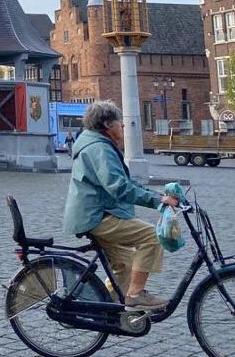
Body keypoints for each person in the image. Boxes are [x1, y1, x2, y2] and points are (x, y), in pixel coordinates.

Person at [64, 100, 180, 310]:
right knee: (153, 237)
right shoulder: (99, 148)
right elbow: (118, 187)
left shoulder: (96, 144)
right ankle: (135, 295)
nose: (123, 126)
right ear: (108, 125)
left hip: (95, 213)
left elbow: (125, 183)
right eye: (120, 122)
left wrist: (157, 194)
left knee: (125, 265)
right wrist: (158, 201)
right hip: (97, 215)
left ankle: (101, 309)